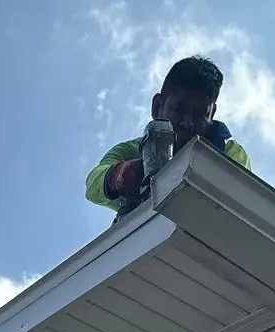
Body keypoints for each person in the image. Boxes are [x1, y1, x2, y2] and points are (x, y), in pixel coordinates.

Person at [85, 55, 252, 221]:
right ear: (158, 106)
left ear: (212, 114)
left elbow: (240, 198)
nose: (188, 123)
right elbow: (94, 183)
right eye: (178, 109)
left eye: (200, 114)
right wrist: (126, 174)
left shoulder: (229, 153)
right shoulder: (131, 150)